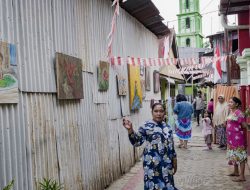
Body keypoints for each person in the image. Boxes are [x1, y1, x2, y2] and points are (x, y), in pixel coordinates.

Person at [123, 103, 178, 190]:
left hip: (166, 165)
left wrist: (174, 160)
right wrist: (130, 130)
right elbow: (136, 142)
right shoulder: (146, 126)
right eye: (156, 111)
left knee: (168, 186)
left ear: (164, 113)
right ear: (152, 112)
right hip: (151, 166)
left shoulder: (168, 128)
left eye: (161, 111)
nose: (158, 114)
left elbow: (171, 146)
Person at [226, 97, 248, 182]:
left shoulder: (239, 113)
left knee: (240, 155)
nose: (229, 103)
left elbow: (244, 125)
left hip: (237, 138)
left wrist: (237, 131)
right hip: (231, 138)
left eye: (231, 102)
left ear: (237, 104)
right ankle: (236, 171)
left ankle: (242, 176)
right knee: (233, 154)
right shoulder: (231, 112)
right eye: (229, 102)